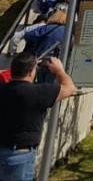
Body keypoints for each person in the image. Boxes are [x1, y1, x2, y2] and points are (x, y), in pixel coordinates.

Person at [0, 51, 76, 180]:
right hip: (20, 156)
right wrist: (59, 71)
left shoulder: (3, 90)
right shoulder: (39, 92)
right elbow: (70, 88)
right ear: (31, 72)